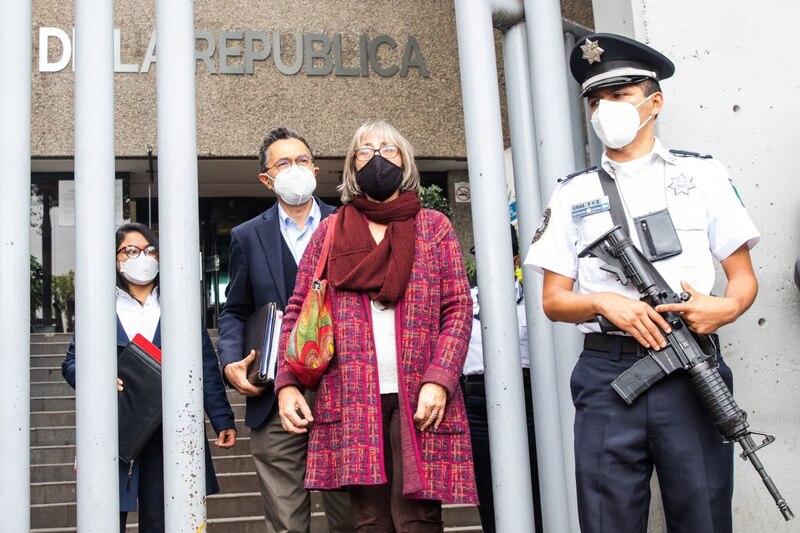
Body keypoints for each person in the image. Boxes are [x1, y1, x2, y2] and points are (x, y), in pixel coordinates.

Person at [525, 33, 759, 533]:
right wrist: (604, 302)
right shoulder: (573, 193)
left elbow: (743, 279)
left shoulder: (704, 176)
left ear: (655, 101)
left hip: (691, 365)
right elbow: (553, 300)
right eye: (596, 100)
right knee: (608, 520)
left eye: (620, 95)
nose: (606, 109)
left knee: (704, 516)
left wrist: (724, 309)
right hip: (609, 374)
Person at [275, 120, 477, 532]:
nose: (377, 159)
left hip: (420, 394)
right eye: (365, 151)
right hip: (351, 395)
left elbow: (457, 308)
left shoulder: (433, 227)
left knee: (418, 517)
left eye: (388, 150)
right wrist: (287, 382)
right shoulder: (330, 232)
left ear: (404, 161)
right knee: (368, 521)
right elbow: (299, 309)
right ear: (352, 165)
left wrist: (440, 378)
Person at [217, 127, 353, 532]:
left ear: (315, 168)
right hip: (274, 394)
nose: (295, 169)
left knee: (351, 518)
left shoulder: (349, 223)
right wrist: (229, 362)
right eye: (283, 163)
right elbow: (234, 310)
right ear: (266, 178)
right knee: (287, 524)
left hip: (345, 391)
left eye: (302, 161)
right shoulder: (246, 236)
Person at [62, 223, 237, 532]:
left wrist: (222, 418)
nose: (142, 257)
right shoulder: (98, 307)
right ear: (115, 260)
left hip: (167, 428)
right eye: (130, 250)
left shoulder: (178, 306)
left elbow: (205, 365)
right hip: (115, 428)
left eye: (150, 250)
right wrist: (95, 379)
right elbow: (72, 363)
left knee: (162, 518)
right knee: (105, 516)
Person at [462, 227, 542, 533]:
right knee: (488, 488)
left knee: (536, 484)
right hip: (478, 404)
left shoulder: (533, 302)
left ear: (516, 260)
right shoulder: (464, 302)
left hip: (529, 400)